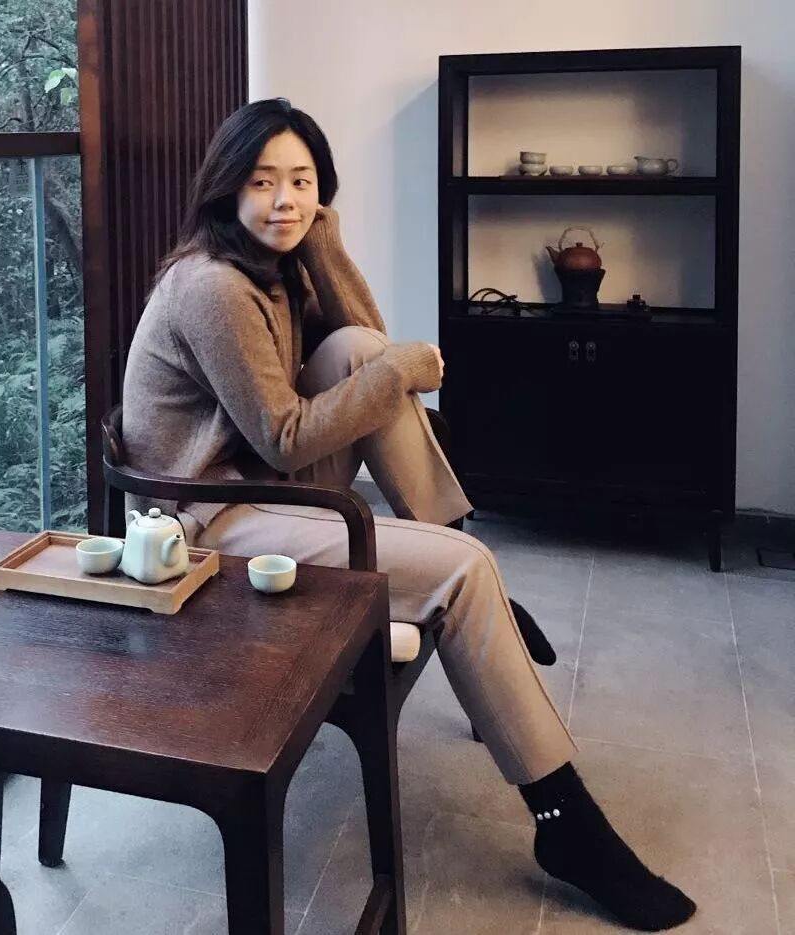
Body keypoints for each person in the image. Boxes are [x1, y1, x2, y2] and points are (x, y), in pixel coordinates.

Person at [122, 97, 696, 932]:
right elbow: (286, 438)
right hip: (208, 521)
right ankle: (564, 821)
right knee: (462, 570)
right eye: (263, 181)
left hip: (257, 477)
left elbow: (371, 342)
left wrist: (324, 241)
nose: (283, 199)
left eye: (302, 181)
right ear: (225, 188)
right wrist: (398, 371)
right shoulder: (214, 287)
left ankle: (447, 558)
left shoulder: (275, 263)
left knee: (361, 354)